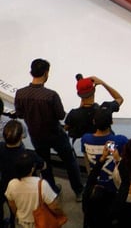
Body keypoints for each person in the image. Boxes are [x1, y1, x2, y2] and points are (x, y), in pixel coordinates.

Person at [14, 58, 84, 198]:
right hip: (55, 134)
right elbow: (60, 115)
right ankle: (78, 191)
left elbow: (20, 114)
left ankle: (52, 191)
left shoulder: (20, 93)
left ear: (31, 72)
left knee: (44, 164)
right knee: (70, 160)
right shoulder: (50, 95)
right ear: (46, 73)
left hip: (36, 136)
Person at [4, 153, 65, 228]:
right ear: (32, 169)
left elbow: (12, 205)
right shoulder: (41, 184)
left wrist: (18, 214)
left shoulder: (11, 184)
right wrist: (61, 214)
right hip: (40, 222)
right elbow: (54, 207)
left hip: (22, 222)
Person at [64, 74, 124, 142]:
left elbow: (66, 128)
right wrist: (103, 83)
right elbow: (119, 99)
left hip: (86, 151)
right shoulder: (104, 110)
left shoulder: (73, 114)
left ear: (79, 94)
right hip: (106, 148)